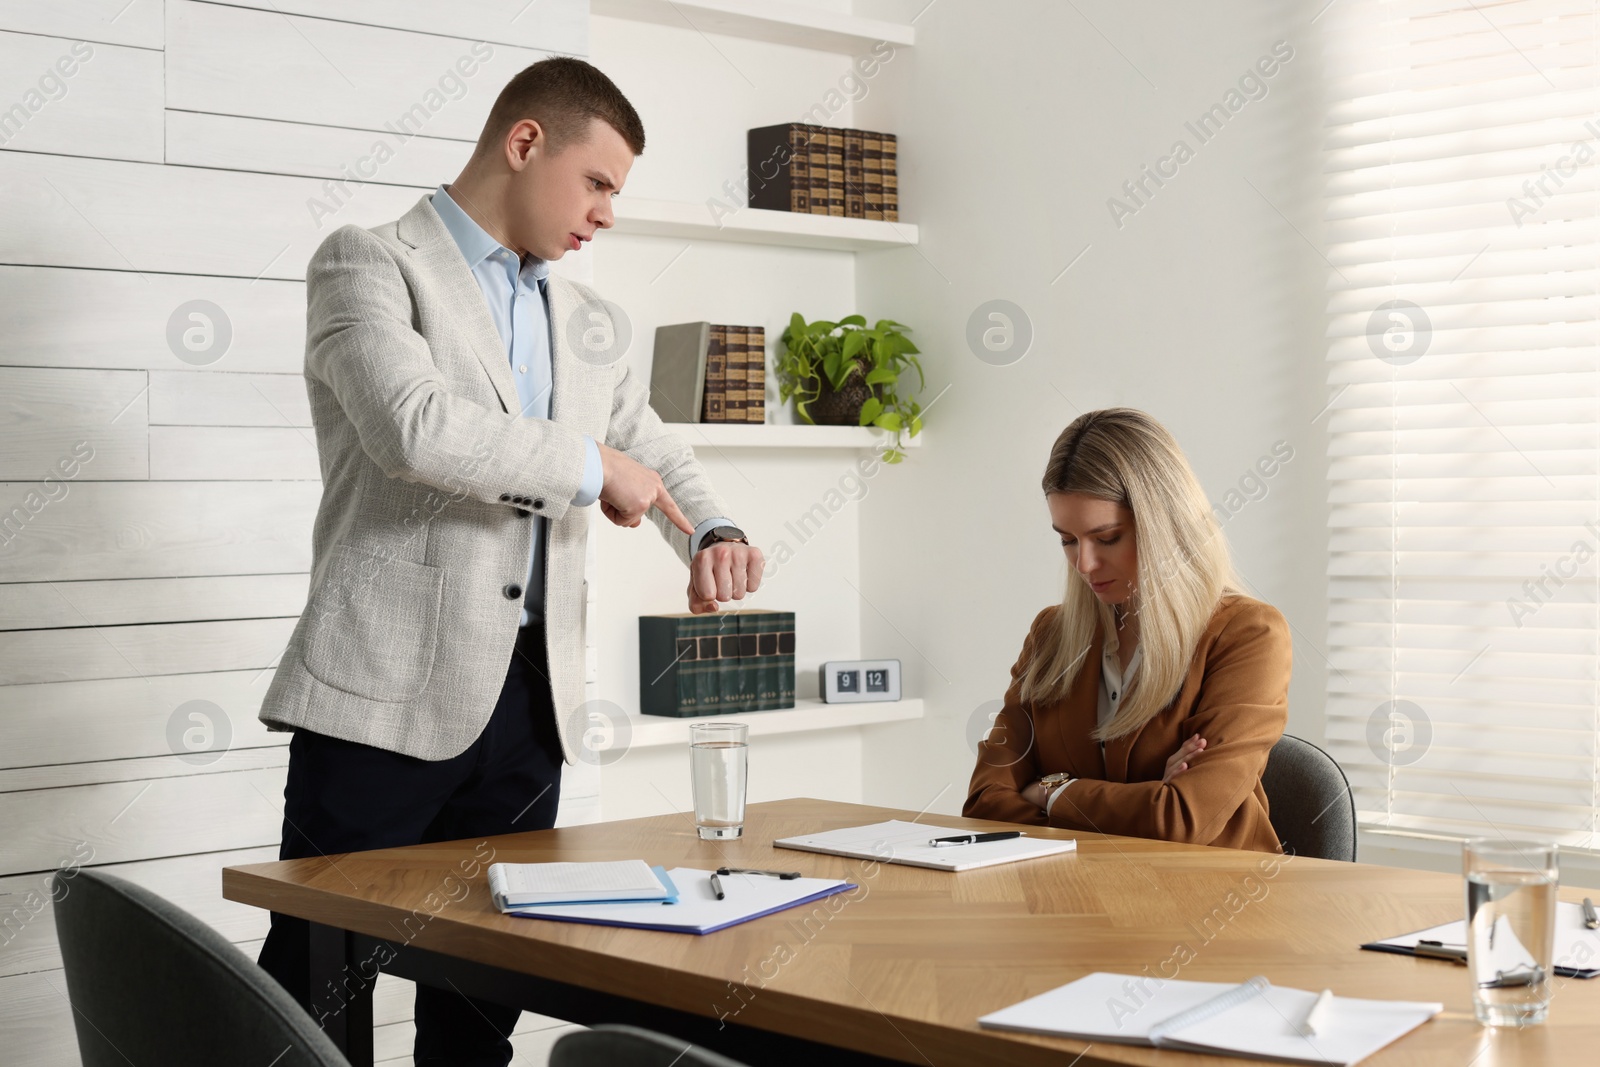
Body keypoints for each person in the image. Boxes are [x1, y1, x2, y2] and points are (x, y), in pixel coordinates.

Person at [253, 57, 763, 1066]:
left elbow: (645, 442)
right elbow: (414, 427)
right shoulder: (367, 261)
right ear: (525, 142)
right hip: (379, 697)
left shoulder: (582, 315)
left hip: (532, 711)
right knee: (318, 982)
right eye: (599, 182)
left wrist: (708, 529)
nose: (607, 214)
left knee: (482, 1000)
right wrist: (588, 467)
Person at [964, 408, 1289, 853]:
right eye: (1067, 539)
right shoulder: (1051, 635)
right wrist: (1149, 795)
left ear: (1165, 525)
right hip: (1073, 901)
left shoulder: (1248, 635)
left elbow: (1180, 820)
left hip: (1209, 904)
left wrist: (1050, 790)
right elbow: (985, 806)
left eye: (1108, 537)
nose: (1084, 564)